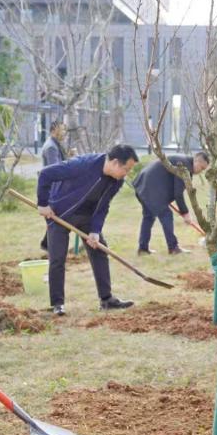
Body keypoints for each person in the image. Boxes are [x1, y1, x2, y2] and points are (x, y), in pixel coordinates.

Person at [37, 144, 139, 316]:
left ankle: (106, 300)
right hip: (60, 213)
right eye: (126, 169)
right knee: (57, 258)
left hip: (87, 216)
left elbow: (103, 206)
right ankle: (57, 304)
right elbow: (46, 174)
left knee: (99, 250)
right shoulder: (83, 165)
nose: (126, 174)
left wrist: (95, 230)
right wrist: (43, 204)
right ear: (115, 162)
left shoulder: (116, 181)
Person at [132, 152, 208, 255]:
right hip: (150, 188)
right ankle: (173, 248)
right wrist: (185, 213)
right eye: (202, 168)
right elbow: (178, 193)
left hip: (144, 184)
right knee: (166, 215)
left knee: (149, 216)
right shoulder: (183, 166)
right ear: (197, 161)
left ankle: (143, 249)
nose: (201, 171)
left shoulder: (183, 162)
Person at [38, 121, 70, 254]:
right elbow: (55, 171)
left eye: (65, 130)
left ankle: (47, 245)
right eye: (61, 130)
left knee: (55, 219)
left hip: (55, 190)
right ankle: (49, 246)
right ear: (53, 130)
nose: (64, 133)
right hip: (53, 191)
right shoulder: (51, 147)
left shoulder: (55, 145)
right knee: (55, 220)